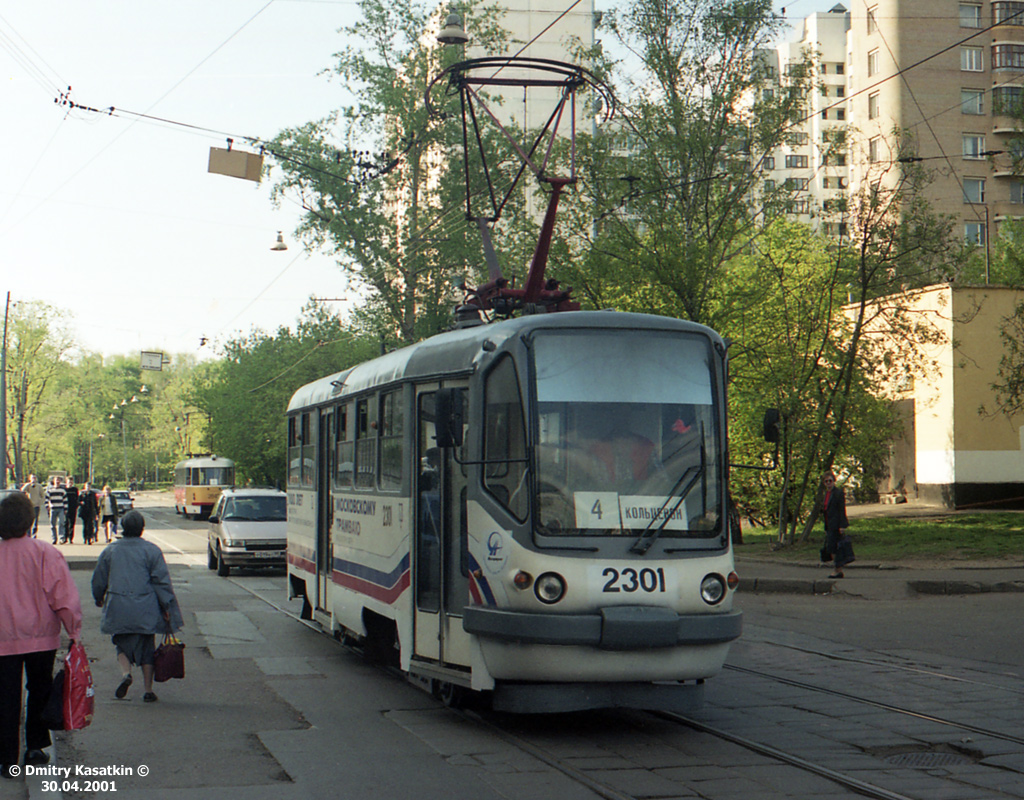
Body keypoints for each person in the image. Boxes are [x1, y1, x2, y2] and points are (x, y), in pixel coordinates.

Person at [0, 492, 83, 779]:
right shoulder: (45, 553)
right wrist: (74, 631)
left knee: (5, 697)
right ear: (29, 520)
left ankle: (6, 759)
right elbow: (63, 596)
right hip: (41, 637)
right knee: (39, 690)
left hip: (2, 639)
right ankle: (35, 747)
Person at [91, 510, 183, 703]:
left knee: (121, 643)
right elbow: (161, 581)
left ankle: (126, 674)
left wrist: (98, 597)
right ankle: (148, 690)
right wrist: (166, 606)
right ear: (142, 528)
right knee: (147, 647)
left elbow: (99, 578)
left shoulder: (110, 550)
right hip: (145, 606)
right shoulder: (152, 550)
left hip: (118, 605)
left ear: (123, 528)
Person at [822, 470, 854, 578]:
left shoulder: (838, 493)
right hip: (829, 524)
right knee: (831, 548)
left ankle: (837, 570)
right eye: (826, 481)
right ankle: (838, 569)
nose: (828, 483)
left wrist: (842, 525)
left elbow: (841, 510)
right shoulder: (826, 494)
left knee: (835, 548)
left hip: (836, 524)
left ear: (834, 481)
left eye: (830, 481)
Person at [44, 477, 67, 545]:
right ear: (54, 481)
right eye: (56, 480)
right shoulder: (50, 490)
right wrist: (47, 506)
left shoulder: (62, 491)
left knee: (61, 523)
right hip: (53, 508)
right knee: (52, 524)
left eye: (58, 480)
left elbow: (65, 500)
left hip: (61, 508)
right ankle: (54, 538)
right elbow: (46, 499)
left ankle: (61, 538)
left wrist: (65, 509)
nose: (57, 482)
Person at [63, 480, 79, 544]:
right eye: (69, 482)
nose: (70, 483)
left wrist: (76, 506)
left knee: (72, 523)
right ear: (66, 482)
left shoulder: (75, 489)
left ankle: (71, 538)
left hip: (73, 508)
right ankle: (65, 537)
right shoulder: (64, 490)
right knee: (65, 523)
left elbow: (77, 498)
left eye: (71, 482)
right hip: (66, 508)